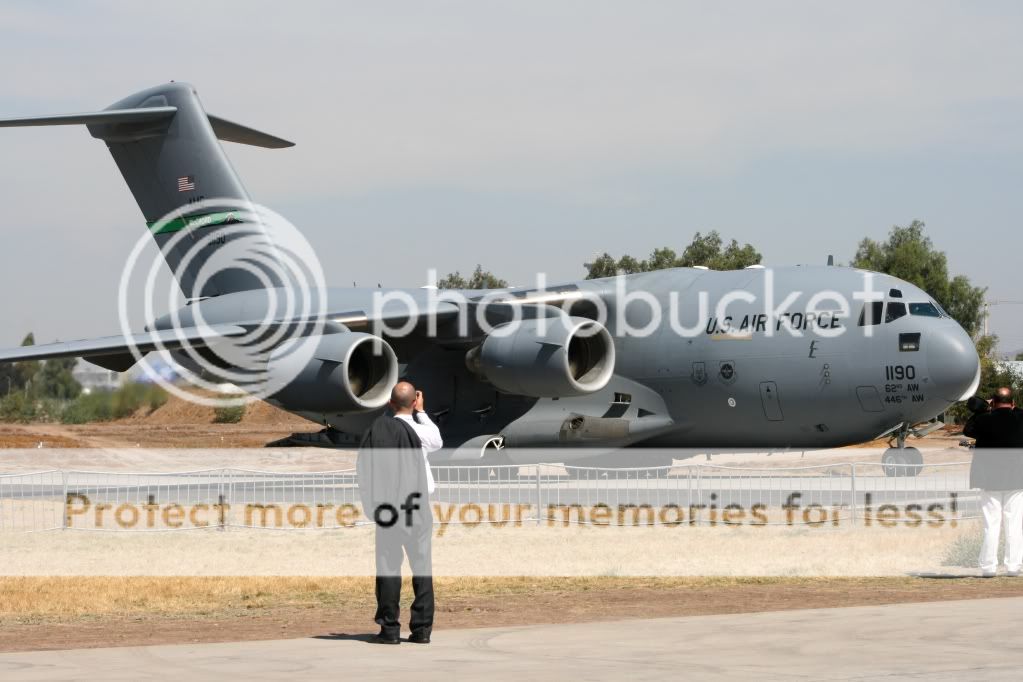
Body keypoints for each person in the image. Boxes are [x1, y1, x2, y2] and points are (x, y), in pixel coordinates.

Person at [356, 381, 443, 644]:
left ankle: (390, 629)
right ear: (414, 401)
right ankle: (422, 630)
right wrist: (422, 412)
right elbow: (438, 440)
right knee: (422, 568)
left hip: (389, 509)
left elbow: (366, 470)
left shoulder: (379, 431)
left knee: (388, 568)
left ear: (390, 403)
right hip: (418, 507)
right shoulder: (421, 432)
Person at [964, 387, 1023, 577]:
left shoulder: (983, 419)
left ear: (994, 402)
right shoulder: (1020, 417)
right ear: (1012, 403)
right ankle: (1013, 566)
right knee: (1014, 525)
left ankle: (988, 567)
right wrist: (1012, 408)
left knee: (991, 524)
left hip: (989, 480)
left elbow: (968, 429)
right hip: (1016, 479)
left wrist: (984, 409)